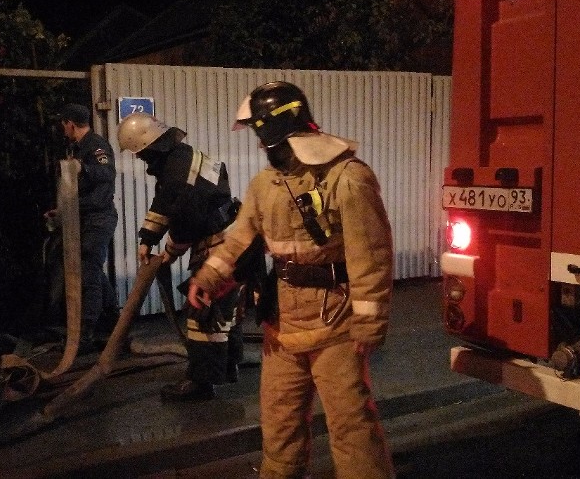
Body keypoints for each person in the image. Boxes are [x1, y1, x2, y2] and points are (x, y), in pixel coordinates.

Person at [187, 81, 395, 478]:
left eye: (258, 132)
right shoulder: (265, 185)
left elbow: (371, 255)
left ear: (274, 130)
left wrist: (370, 322)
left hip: (336, 326)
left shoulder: (347, 178)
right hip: (282, 328)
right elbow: (240, 239)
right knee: (280, 426)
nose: (258, 144)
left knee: (351, 428)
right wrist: (209, 276)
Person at [117, 112, 246, 401]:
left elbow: (184, 222)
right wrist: (147, 238)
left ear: (150, 147)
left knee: (204, 314)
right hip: (231, 239)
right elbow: (165, 202)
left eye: (140, 154)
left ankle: (202, 383)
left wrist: (168, 253)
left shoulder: (177, 173)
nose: (141, 160)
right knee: (225, 313)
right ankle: (228, 366)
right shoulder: (184, 157)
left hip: (217, 245)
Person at [51, 103, 119, 353]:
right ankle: (114, 324)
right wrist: (61, 212)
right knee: (92, 270)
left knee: (87, 274)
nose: (63, 129)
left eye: (63, 124)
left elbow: (107, 173)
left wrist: (84, 168)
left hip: (98, 220)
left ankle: (85, 335)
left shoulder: (96, 146)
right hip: (84, 218)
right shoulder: (76, 148)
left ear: (70, 123)